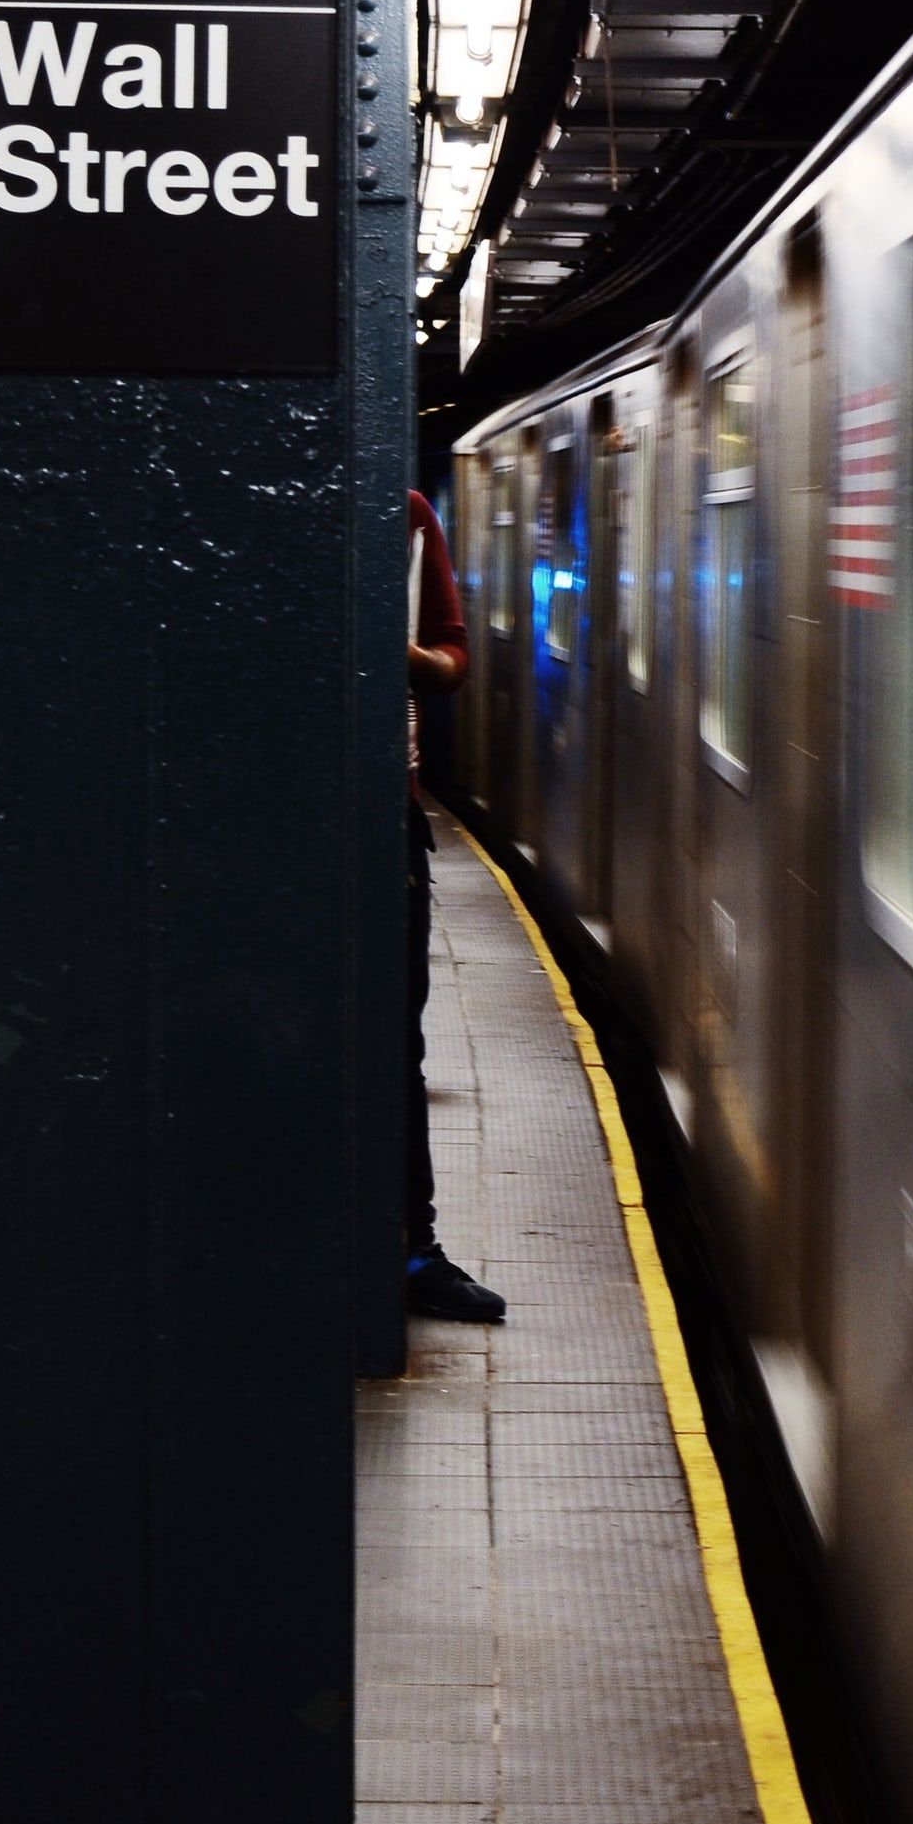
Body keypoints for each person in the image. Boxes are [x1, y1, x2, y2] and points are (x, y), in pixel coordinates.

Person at [407, 487, 504, 1324]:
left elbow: (452, 661)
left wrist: (403, 655)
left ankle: (413, 1248)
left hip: (384, 829)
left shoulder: (404, 515)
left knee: (394, 1048)